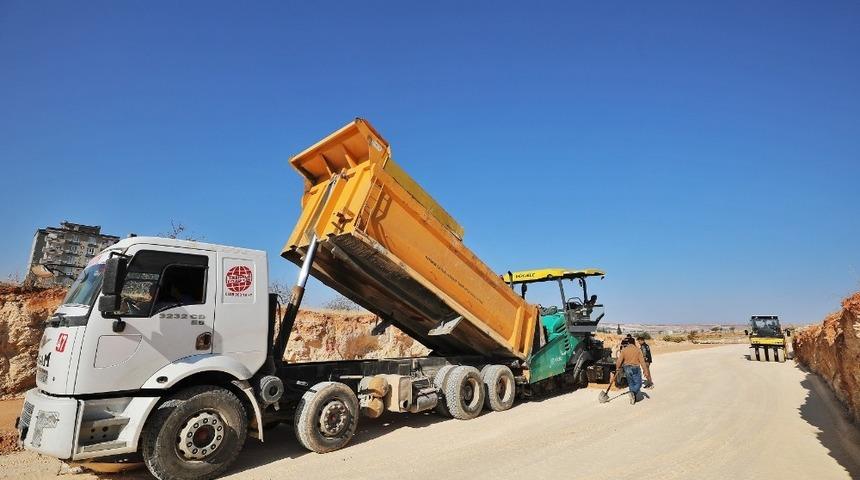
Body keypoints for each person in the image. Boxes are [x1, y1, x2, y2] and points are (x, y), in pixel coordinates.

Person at [616, 338, 653, 404]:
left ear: (628, 343)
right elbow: (642, 361)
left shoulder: (624, 350)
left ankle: (633, 397)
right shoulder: (638, 350)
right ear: (634, 343)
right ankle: (633, 392)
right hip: (635, 367)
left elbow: (619, 361)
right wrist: (645, 370)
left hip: (626, 368)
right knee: (638, 384)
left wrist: (617, 368)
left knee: (631, 383)